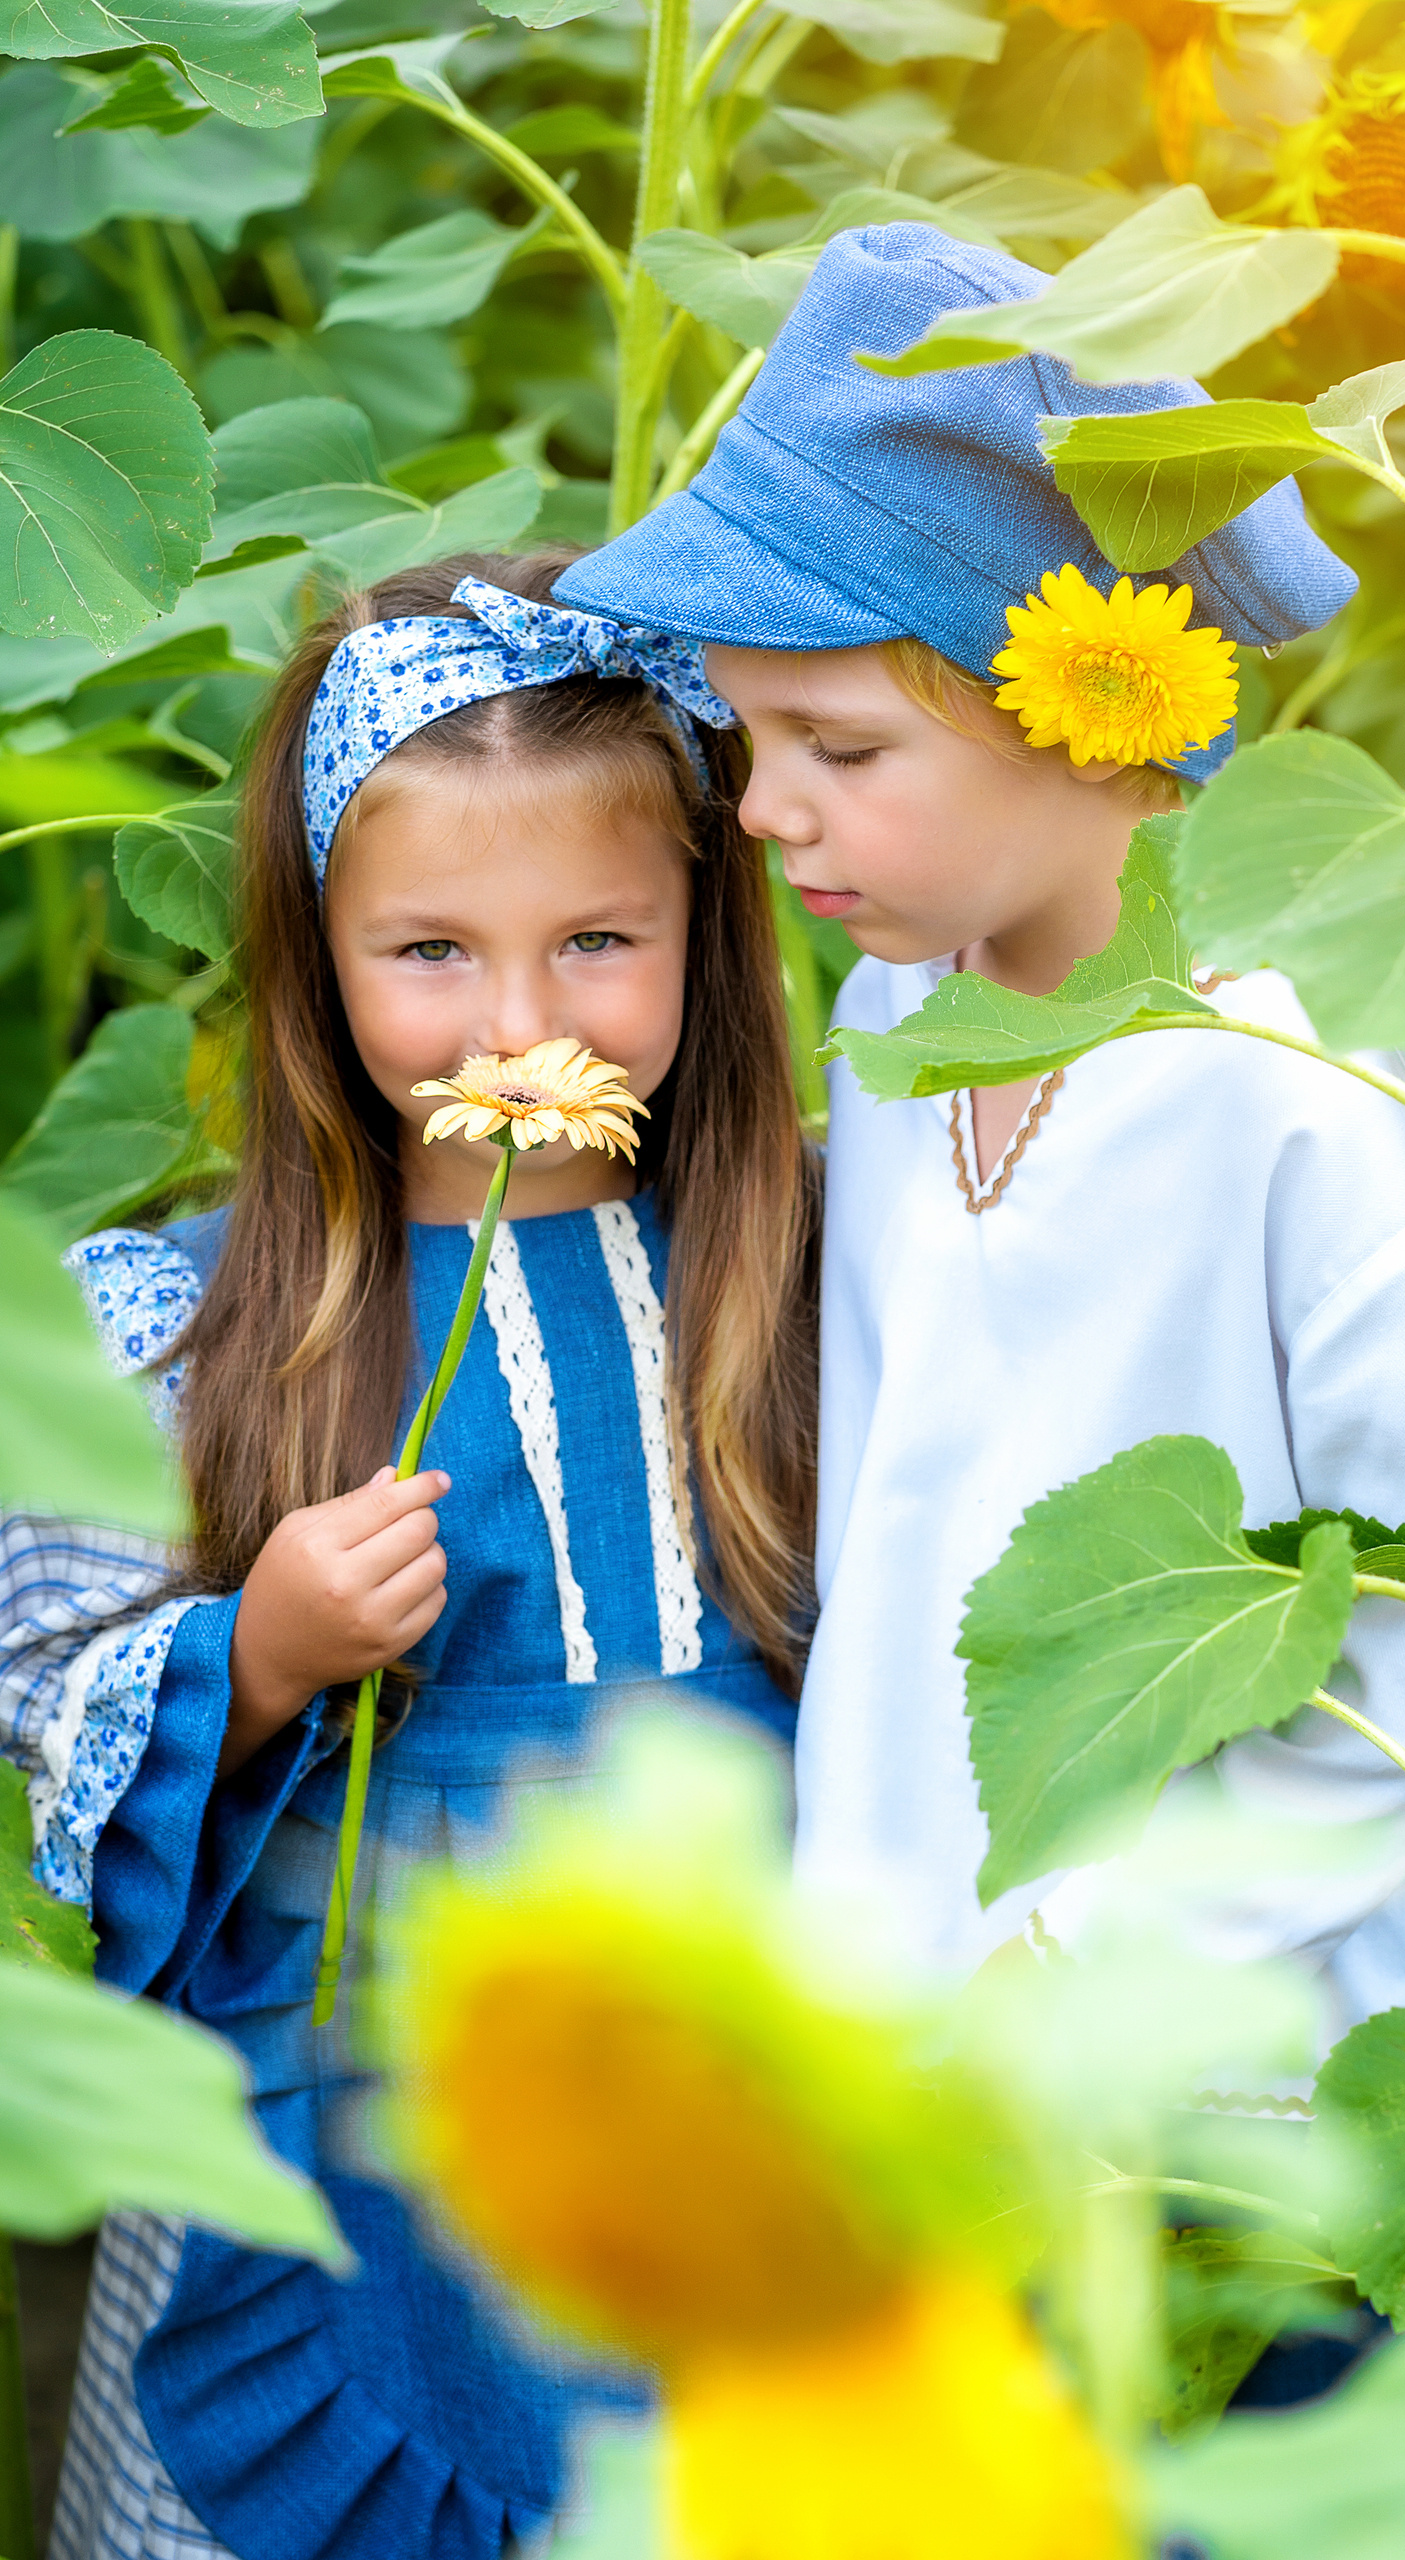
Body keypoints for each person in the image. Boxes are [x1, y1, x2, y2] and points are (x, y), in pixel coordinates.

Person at [555, 222, 1405, 2063]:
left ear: (1085, 710)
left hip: (1268, 2083)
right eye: (750, 739)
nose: (765, 810)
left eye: (838, 747)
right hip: (936, 2001)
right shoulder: (893, 1018)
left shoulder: (1305, 1086)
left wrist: (1101, 1968)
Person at [8, 550, 819, 2560]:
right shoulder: (197, 1323)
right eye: (432, 951)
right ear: (318, 956)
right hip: (359, 2076)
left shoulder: (809, 1271)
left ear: (710, 932)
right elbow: (45, 1682)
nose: (523, 1023)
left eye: (601, 939)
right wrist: (260, 1650)